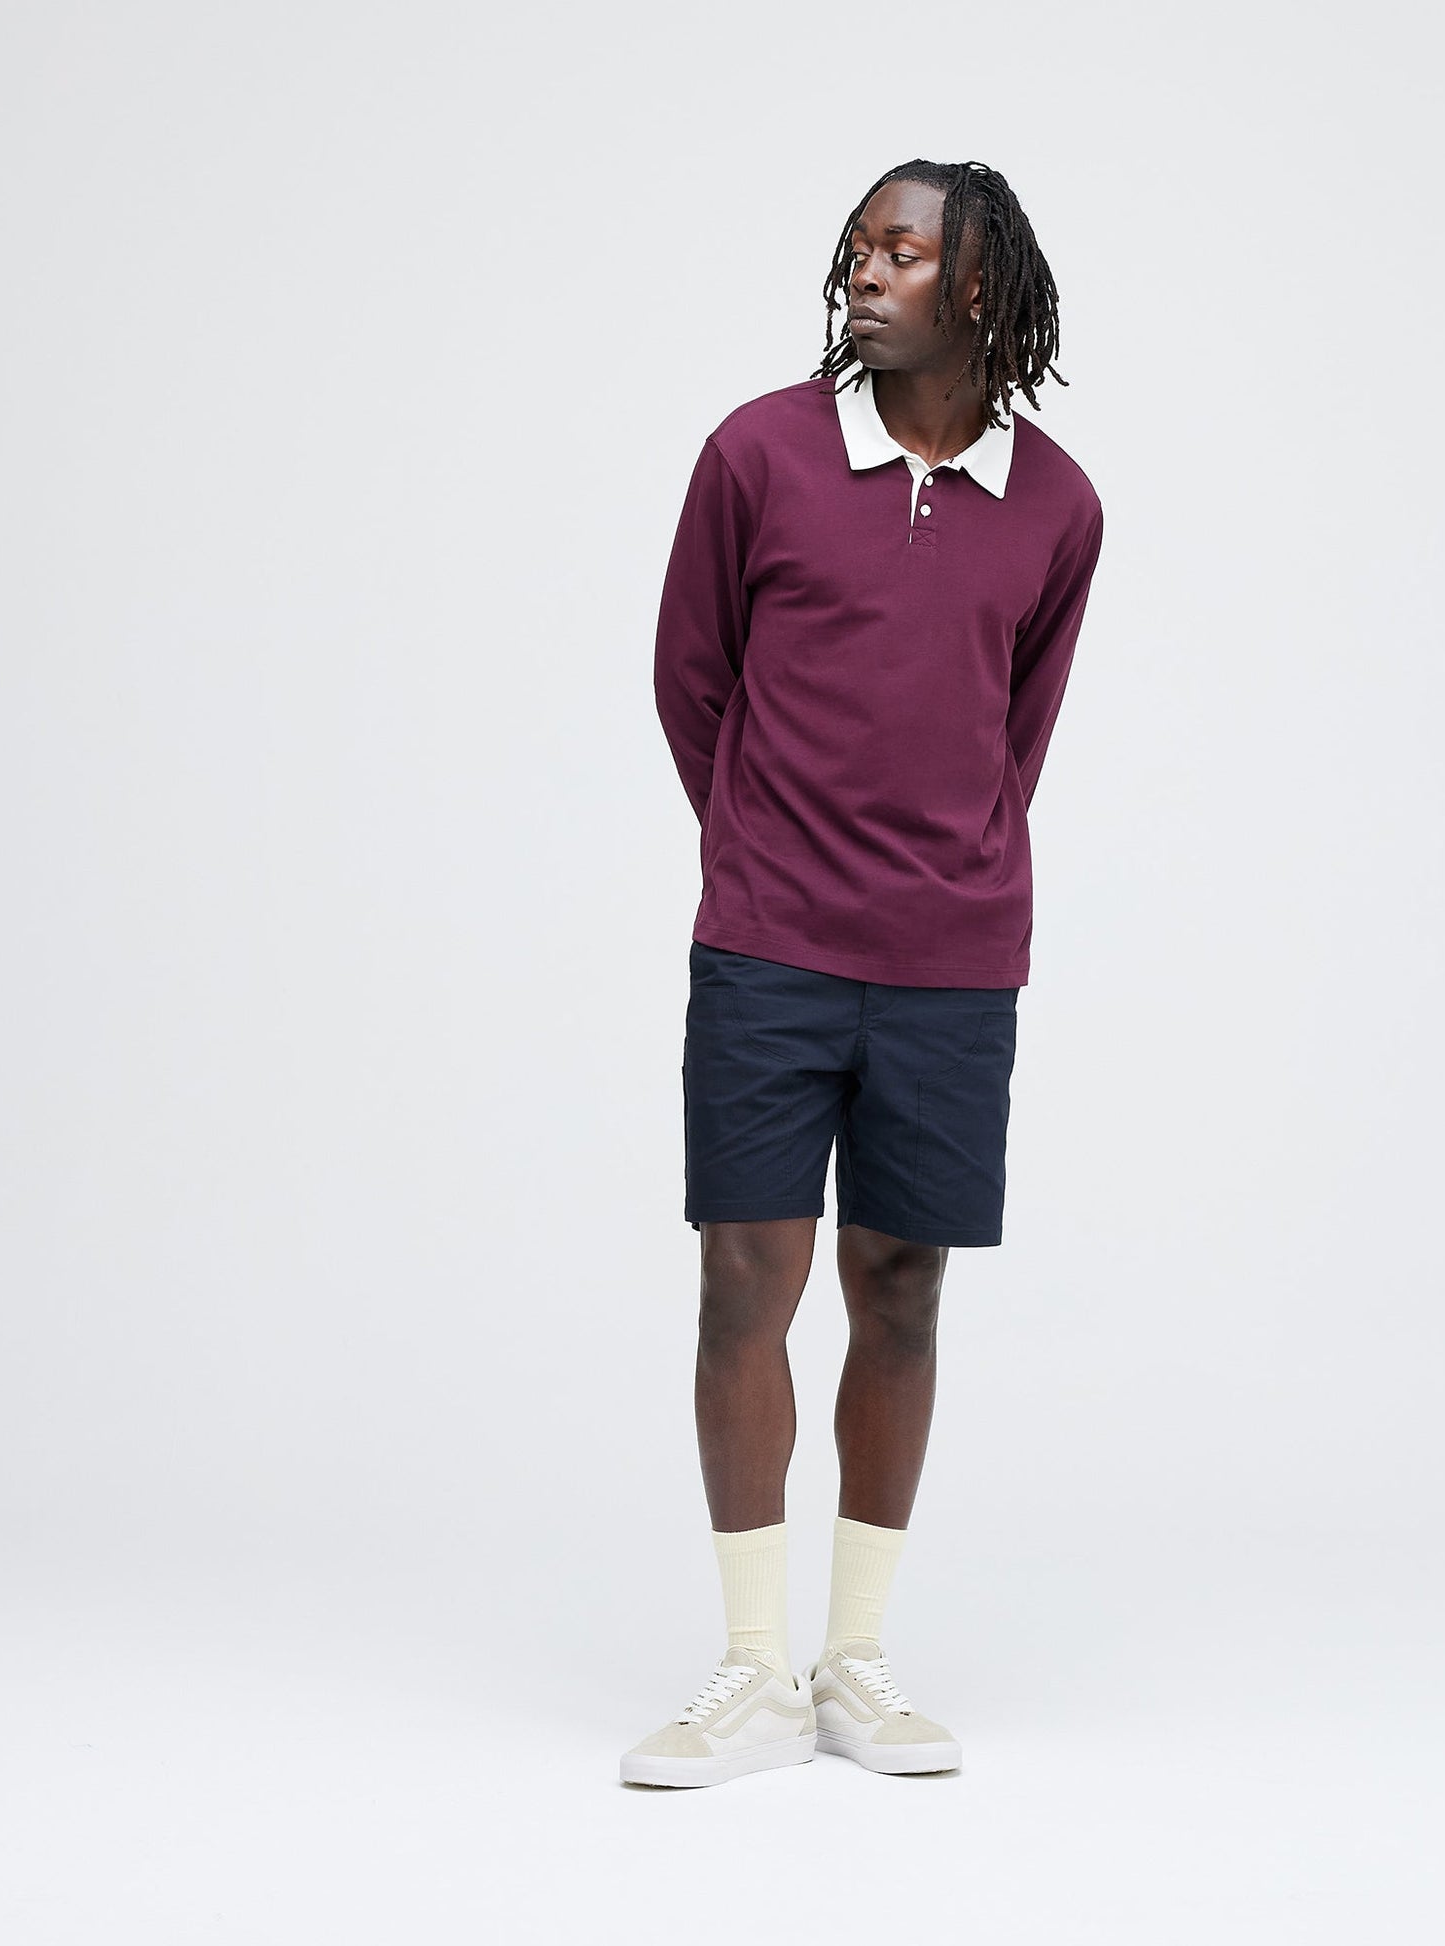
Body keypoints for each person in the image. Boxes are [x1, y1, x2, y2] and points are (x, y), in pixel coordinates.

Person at [621, 158, 1104, 1789]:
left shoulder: (1058, 505)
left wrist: (939, 871)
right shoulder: (756, 454)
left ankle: (857, 1664)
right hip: (767, 945)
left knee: (901, 1289)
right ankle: (752, 1668)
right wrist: (768, 853)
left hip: (952, 963)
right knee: (743, 1278)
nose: (863, 274)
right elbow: (692, 682)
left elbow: (1016, 729)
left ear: (978, 287)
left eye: (900, 251)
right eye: (855, 249)